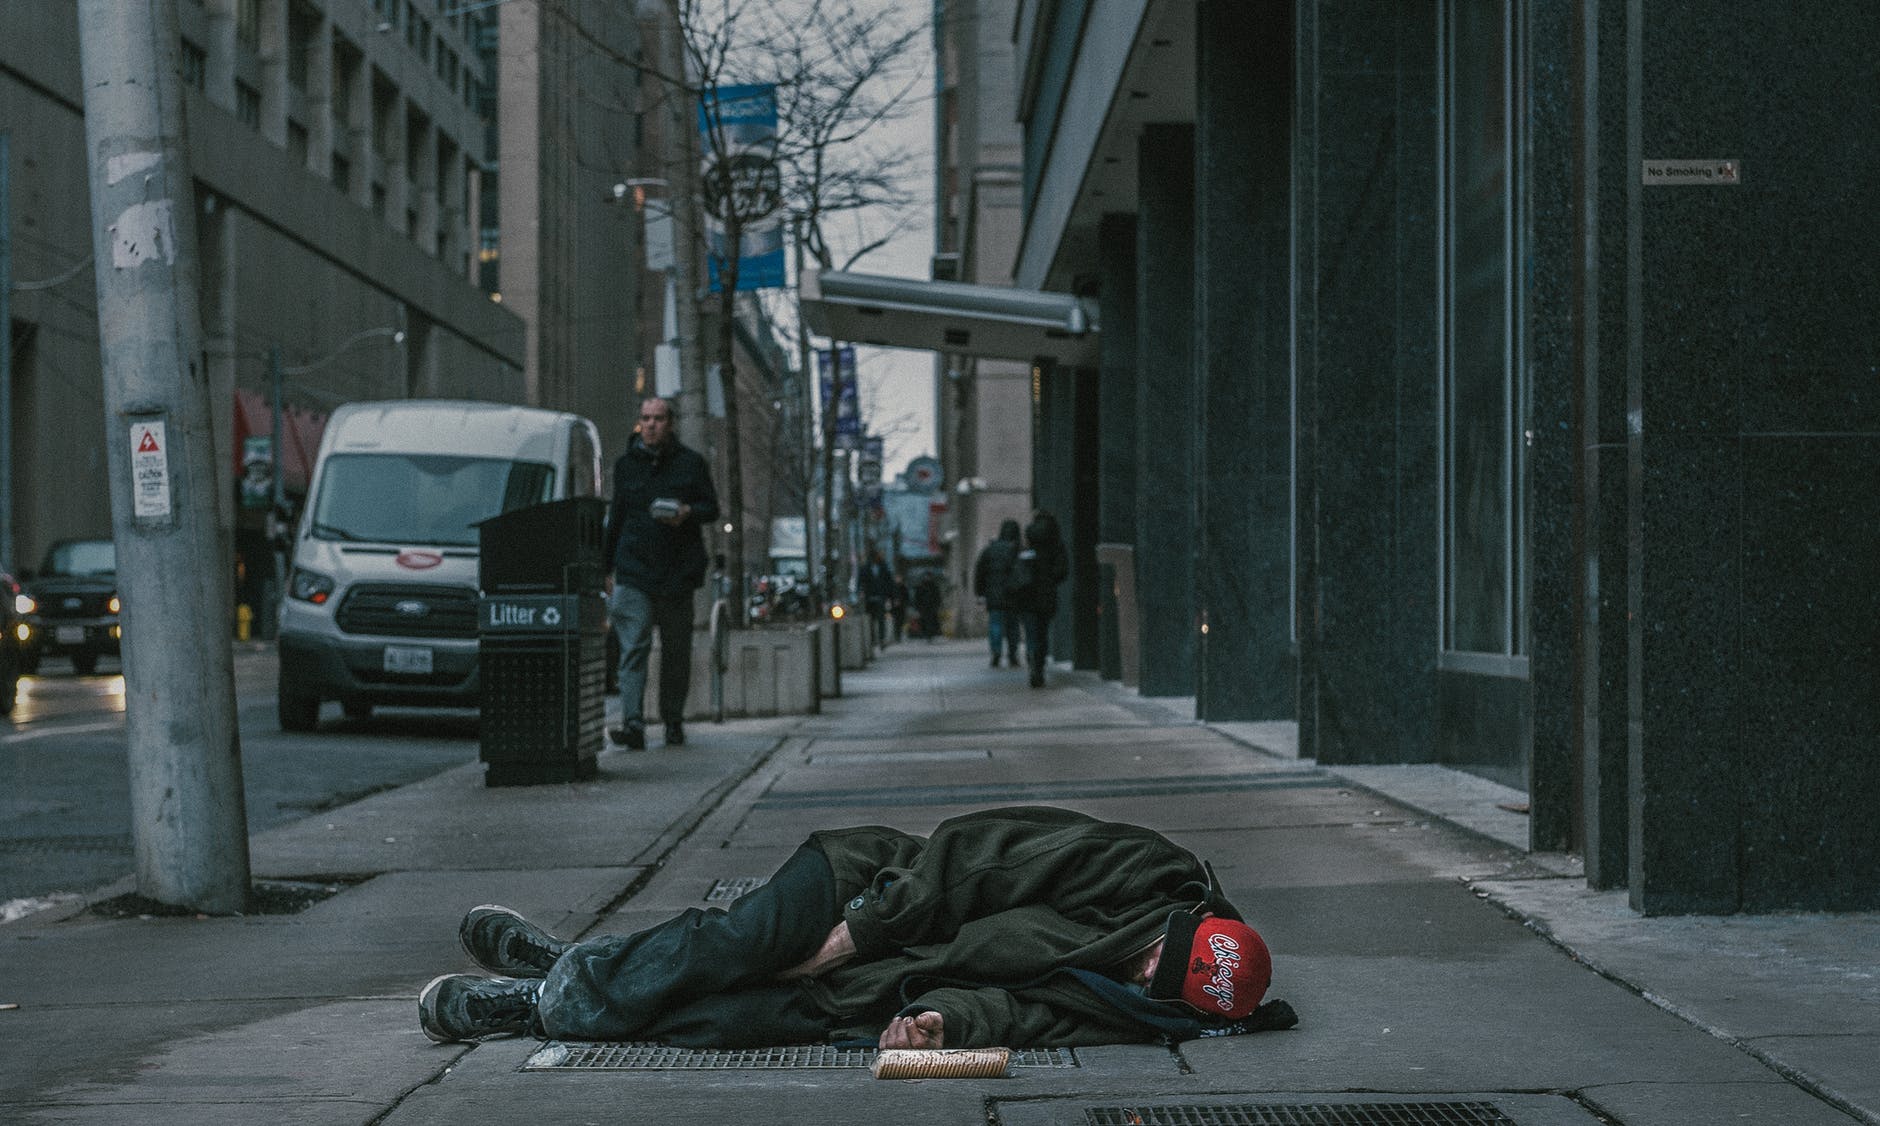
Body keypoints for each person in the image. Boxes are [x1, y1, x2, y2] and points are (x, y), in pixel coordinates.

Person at [418, 806, 1296, 1049]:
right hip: (870, 888)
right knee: (740, 946)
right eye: (1157, 956)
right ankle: (540, 1002)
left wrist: (946, 1022)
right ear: (1187, 920)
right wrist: (857, 931)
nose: (1142, 973)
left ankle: (564, 969)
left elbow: (1038, 1016)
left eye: (1159, 985)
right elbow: (977, 857)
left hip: (883, 984)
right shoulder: (1143, 869)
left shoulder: (1148, 1009)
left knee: (725, 1018)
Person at [601, 396, 720, 750]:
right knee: (633, 646)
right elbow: (616, 517)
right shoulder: (626, 465)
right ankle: (633, 723)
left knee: (675, 652)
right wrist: (605, 568)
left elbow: (711, 508)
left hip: (676, 572)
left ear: (671, 423)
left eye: (658, 418)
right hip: (634, 569)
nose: (651, 425)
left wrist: (687, 512)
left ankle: (673, 720)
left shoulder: (690, 464)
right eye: (646, 418)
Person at [1011, 510, 1069, 687]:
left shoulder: (1027, 541)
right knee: (1042, 633)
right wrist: (1050, 578)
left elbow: (1015, 569)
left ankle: (1031, 657)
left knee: (1031, 632)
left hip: (1026, 594)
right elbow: (1062, 570)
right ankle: (1039, 664)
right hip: (1046, 594)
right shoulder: (1056, 544)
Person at [972, 519, 1023, 668]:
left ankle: (996, 652)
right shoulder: (1017, 550)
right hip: (1013, 594)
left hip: (994, 595)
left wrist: (980, 593)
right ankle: (1013, 655)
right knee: (1013, 626)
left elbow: (980, 572)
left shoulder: (989, 550)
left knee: (995, 624)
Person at [859, 549, 894, 647]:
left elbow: (889, 582)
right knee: (871, 619)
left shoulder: (884, 567)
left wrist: (890, 596)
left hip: (881, 596)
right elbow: (861, 581)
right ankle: (872, 639)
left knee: (881, 618)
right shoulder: (865, 568)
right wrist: (861, 592)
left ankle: (881, 638)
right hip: (869, 597)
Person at [912, 571, 942, 640]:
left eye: (928, 577)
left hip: (931, 607)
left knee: (931, 620)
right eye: (926, 577)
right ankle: (927, 634)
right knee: (925, 620)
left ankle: (930, 634)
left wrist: (937, 605)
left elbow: (937, 597)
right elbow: (917, 597)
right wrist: (918, 606)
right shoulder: (921, 586)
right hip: (923, 607)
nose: (927, 578)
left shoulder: (934, 586)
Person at [889, 572, 910, 642]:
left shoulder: (904, 587)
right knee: (895, 621)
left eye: (899, 578)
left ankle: (899, 635)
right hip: (894, 607)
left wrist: (902, 602)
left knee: (901, 621)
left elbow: (906, 597)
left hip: (901, 607)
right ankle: (896, 635)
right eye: (897, 578)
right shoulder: (892, 587)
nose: (898, 579)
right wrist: (893, 602)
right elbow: (890, 596)